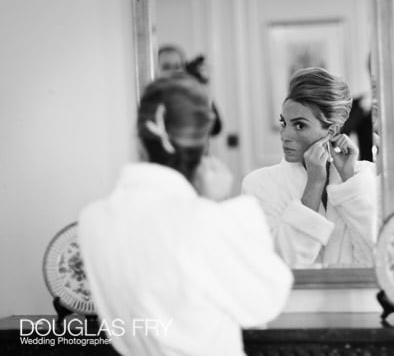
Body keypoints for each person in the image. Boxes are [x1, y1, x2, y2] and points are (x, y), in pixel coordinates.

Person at [78, 73, 292, 356]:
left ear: (140, 136)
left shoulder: (93, 220)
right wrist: (221, 207)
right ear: (203, 143)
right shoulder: (204, 220)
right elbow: (265, 302)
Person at [242, 67, 378, 268]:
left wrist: (349, 180)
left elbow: (376, 259)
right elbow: (282, 266)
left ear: (330, 132)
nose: (285, 135)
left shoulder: (364, 177)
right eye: (284, 123)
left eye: (299, 125)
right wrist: (314, 185)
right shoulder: (259, 186)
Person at [158, 45, 222, 136]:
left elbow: (215, 129)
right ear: (155, 70)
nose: (173, 72)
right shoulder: (151, 98)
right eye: (166, 67)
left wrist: (203, 88)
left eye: (177, 66)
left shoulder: (192, 94)